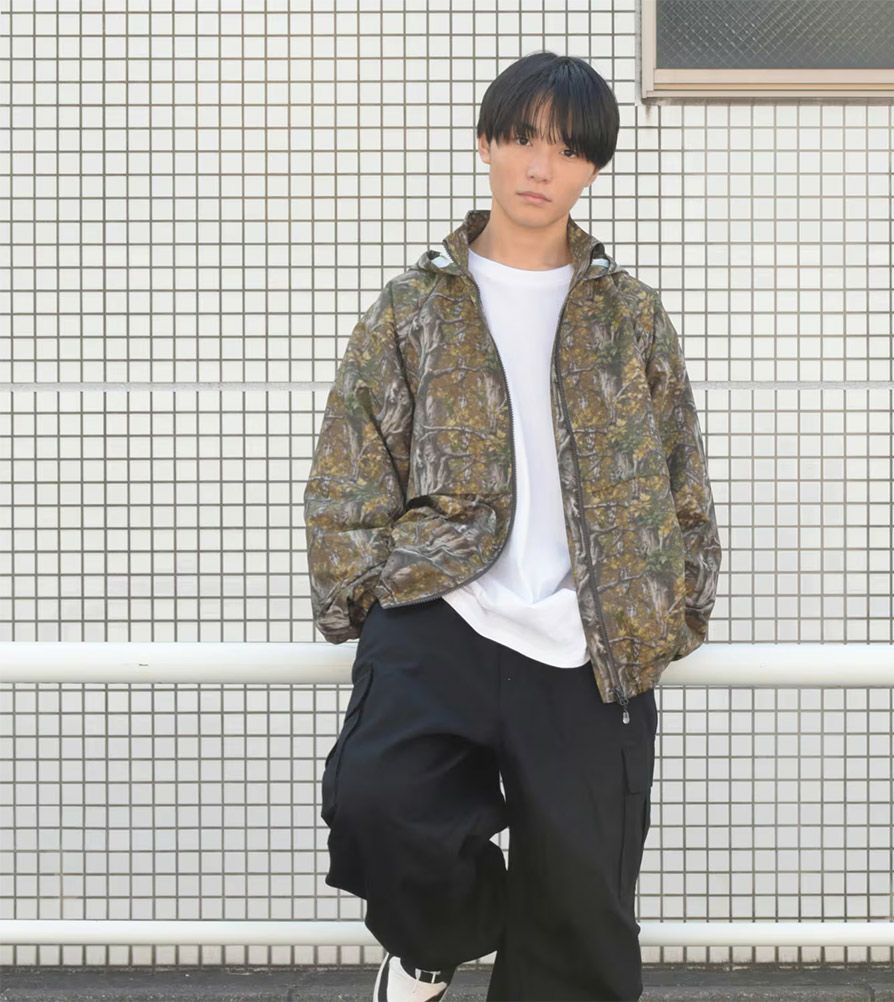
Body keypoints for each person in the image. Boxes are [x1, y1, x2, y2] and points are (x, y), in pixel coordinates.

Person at [304, 50, 721, 1002]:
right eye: (523, 139)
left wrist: (673, 607)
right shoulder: (415, 307)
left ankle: (535, 933)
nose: (541, 167)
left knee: (579, 917)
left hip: (589, 638)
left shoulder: (628, 316)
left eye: (568, 150)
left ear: (593, 169)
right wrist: (366, 592)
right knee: (378, 807)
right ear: (485, 143)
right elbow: (350, 463)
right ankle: (436, 943)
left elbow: (681, 473)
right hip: (443, 613)